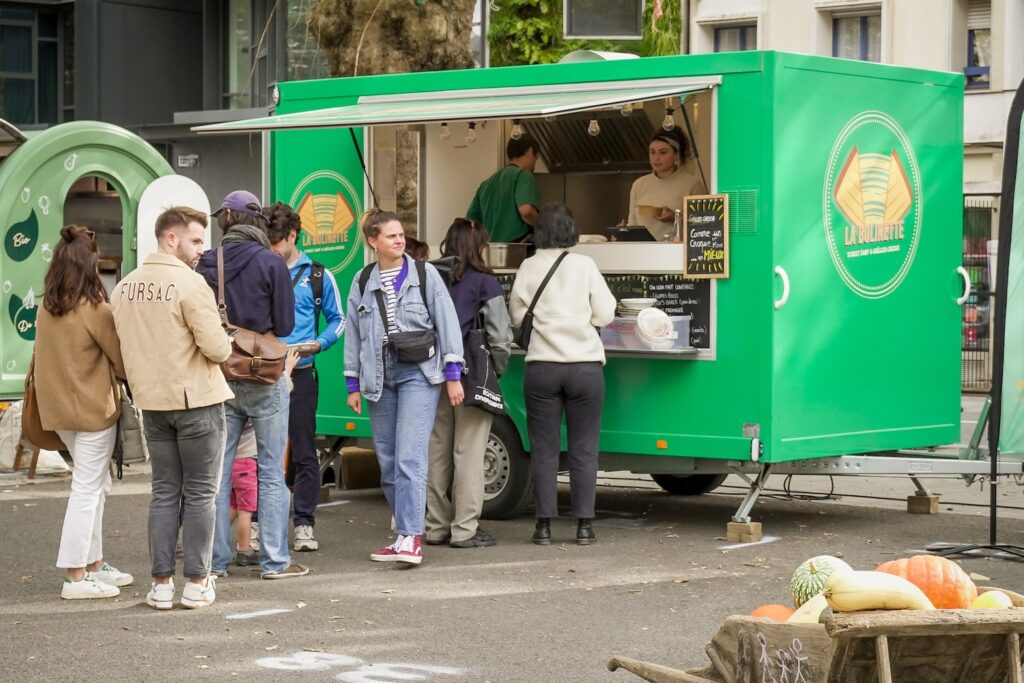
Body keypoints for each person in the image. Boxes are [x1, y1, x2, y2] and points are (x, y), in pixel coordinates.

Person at [112, 206, 233, 609]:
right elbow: (216, 348)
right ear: (171, 238)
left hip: (152, 402)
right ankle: (197, 581)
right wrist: (226, 338)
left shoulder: (124, 287)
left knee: (164, 492)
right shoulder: (190, 284)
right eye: (196, 240)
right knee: (201, 493)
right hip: (197, 399)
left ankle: (161, 583)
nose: (202, 249)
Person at [194, 190, 308, 580]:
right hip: (264, 375)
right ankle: (275, 561)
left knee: (218, 472)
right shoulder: (272, 263)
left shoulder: (207, 263)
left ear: (227, 219)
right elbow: (288, 326)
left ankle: (215, 562)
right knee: (271, 471)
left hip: (221, 374)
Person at [344, 209, 465, 565]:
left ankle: (411, 537)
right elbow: (353, 332)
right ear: (373, 241)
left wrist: (453, 376)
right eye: (391, 236)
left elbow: (447, 324)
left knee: (410, 456)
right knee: (387, 459)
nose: (399, 240)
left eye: (401, 235)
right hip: (379, 377)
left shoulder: (425, 275)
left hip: (420, 374)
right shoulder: (363, 280)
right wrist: (352, 383)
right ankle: (403, 534)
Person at [509, 203, 616, 546]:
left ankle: (543, 526)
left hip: (542, 368)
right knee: (584, 447)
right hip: (584, 367)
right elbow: (605, 314)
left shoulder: (528, 266)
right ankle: (584, 526)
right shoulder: (585, 265)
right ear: (571, 229)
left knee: (544, 448)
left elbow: (515, 317)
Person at [35, 225, 130, 600]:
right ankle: (76, 576)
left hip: (57, 411)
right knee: (87, 489)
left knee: (94, 485)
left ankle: (93, 564)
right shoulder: (95, 309)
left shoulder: (47, 307)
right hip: (92, 410)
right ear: (90, 266)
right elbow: (121, 361)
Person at [425, 218, 512, 548]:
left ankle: (434, 526)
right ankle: (464, 529)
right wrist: (495, 370)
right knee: (469, 452)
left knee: (437, 452)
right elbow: (501, 337)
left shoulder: (429, 276)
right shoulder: (485, 282)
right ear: (479, 246)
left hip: (433, 375)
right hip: (470, 375)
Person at [264, 202, 346, 553]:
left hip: (301, 373)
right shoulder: (261, 269)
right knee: (259, 453)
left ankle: (304, 525)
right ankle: (254, 524)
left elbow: (338, 319)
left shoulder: (318, 275)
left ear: (292, 237)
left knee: (304, 450)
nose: (269, 251)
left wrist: (319, 344)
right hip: (264, 374)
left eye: (275, 244)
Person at [231, 350, 300, 565]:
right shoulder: (260, 397)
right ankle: (244, 549)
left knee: (231, 506)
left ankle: (215, 545)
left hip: (232, 461)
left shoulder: (232, 393)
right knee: (245, 511)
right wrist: (287, 368)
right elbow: (282, 391)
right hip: (248, 463)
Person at [625, 129, 707, 241]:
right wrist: (623, 233)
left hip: (677, 253)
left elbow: (705, 226)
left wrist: (675, 217)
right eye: (652, 152)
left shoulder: (692, 184)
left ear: (676, 155)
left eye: (663, 152)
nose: (656, 158)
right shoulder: (639, 184)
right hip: (642, 253)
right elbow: (632, 224)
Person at [466, 134, 541, 243]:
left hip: (492, 252)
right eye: (536, 157)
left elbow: (469, 223)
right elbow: (526, 211)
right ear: (530, 151)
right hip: (518, 250)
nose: (535, 164)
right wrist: (544, 226)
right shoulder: (523, 175)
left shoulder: (486, 184)